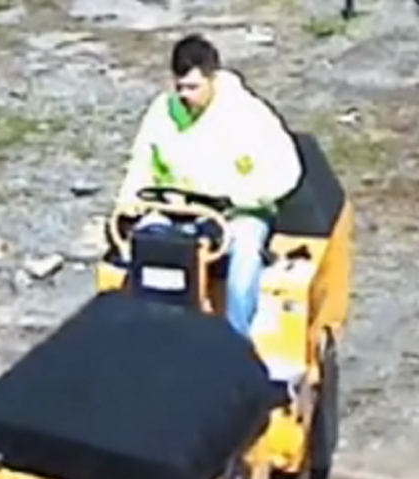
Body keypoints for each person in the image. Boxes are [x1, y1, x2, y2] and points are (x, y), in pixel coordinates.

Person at [116, 33, 303, 337]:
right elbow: (141, 164)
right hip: (176, 209)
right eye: (179, 87)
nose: (184, 95)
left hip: (235, 212)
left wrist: (244, 197)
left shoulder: (248, 114)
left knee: (244, 258)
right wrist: (128, 203)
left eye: (193, 87)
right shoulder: (162, 112)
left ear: (212, 78)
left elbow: (286, 169)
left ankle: (236, 342)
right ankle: (150, 335)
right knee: (144, 246)